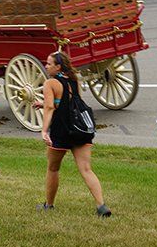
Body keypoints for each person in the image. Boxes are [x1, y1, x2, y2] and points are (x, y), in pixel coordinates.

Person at [38, 51, 111, 217]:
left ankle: (49, 205)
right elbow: (68, 103)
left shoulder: (50, 83)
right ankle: (101, 205)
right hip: (80, 130)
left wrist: (43, 130)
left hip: (62, 131)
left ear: (58, 66)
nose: (46, 66)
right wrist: (42, 103)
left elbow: (51, 107)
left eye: (49, 63)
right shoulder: (74, 79)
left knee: (53, 168)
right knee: (86, 169)